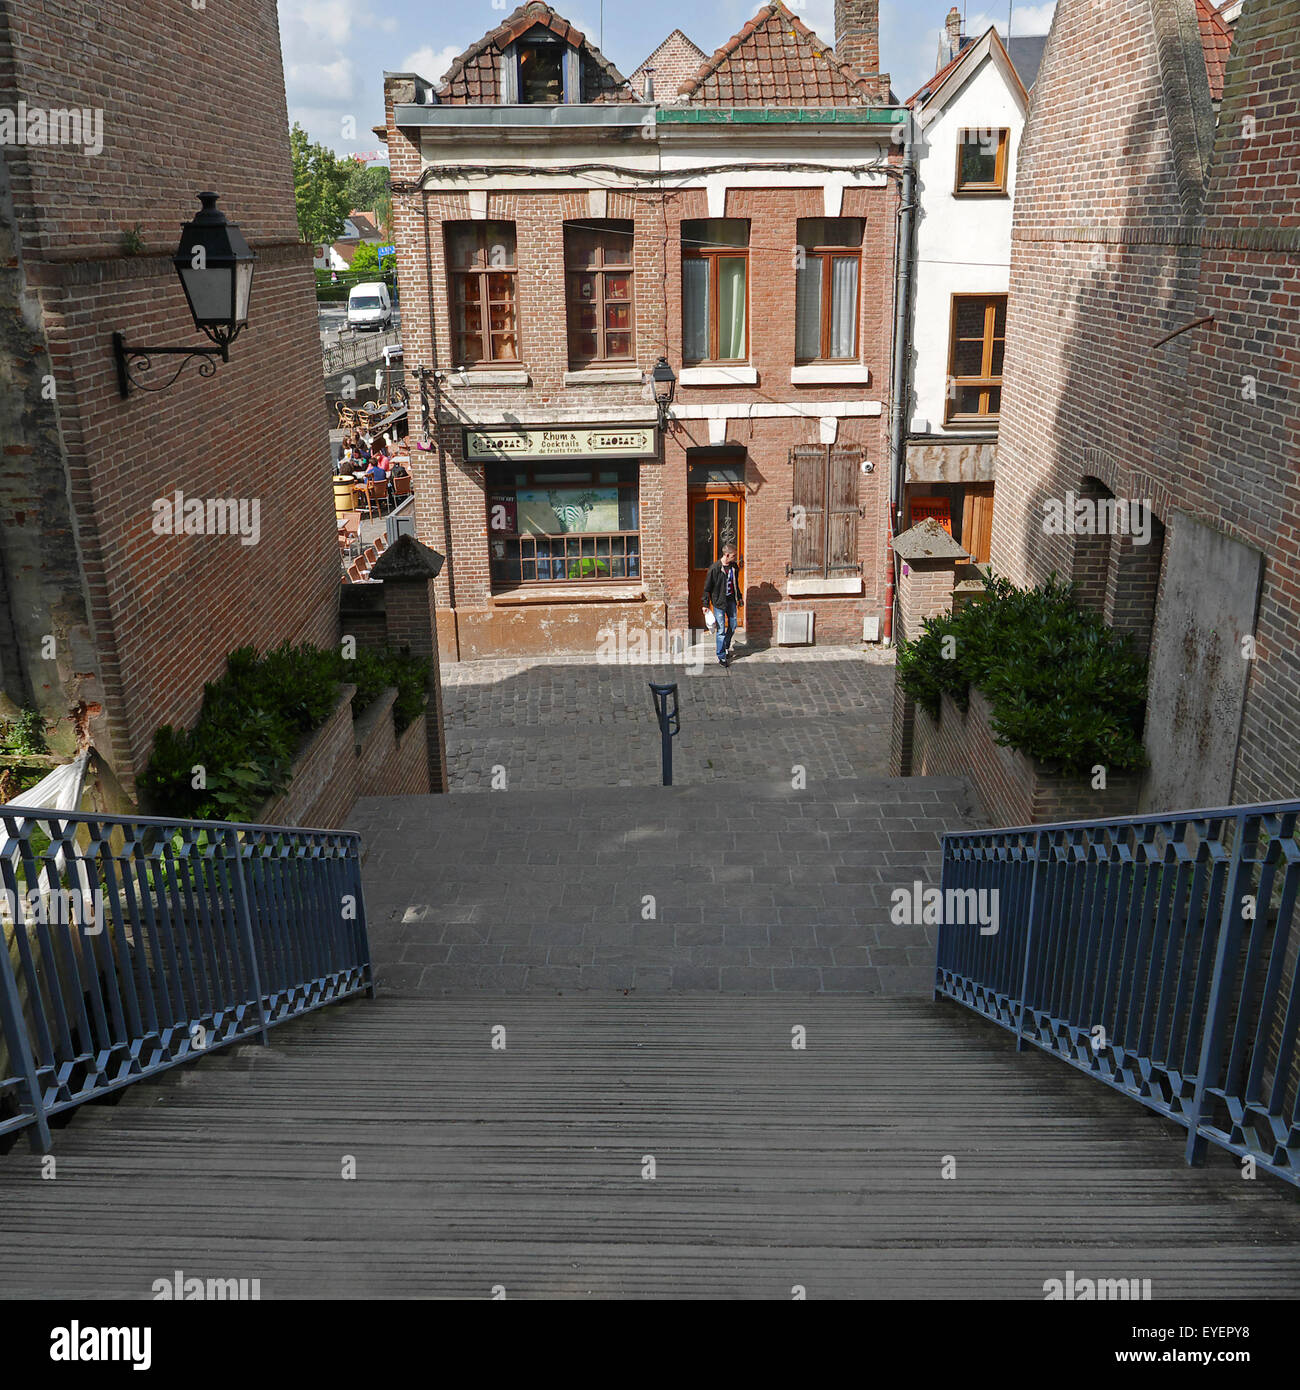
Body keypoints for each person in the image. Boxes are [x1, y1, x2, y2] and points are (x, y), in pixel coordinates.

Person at [702, 545, 743, 667]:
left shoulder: (734, 567)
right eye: (733, 556)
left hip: (731, 600)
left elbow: (735, 584)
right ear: (727, 555)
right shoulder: (714, 569)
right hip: (719, 602)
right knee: (721, 630)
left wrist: (739, 597)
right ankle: (721, 656)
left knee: (733, 625)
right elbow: (707, 588)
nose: (735, 558)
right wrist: (705, 604)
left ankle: (725, 646)